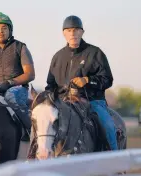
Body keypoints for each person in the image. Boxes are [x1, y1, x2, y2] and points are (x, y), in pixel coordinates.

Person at [45, 15, 118, 150]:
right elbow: (50, 84)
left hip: (92, 101)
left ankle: (115, 161)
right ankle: (35, 156)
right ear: (63, 33)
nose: (73, 33)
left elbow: (107, 79)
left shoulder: (95, 53)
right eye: (69, 30)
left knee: (107, 125)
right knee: (41, 125)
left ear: (82, 32)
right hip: (62, 103)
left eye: (76, 30)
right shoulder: (57, 57)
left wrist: (87, 80)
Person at [0, 12, 35, 140]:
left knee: (10, 95)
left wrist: (10, 83)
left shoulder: (21, 47)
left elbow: (30, 74)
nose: (0, 31)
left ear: (10, 30)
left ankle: (30, 131)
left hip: (18, 89)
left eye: (4, 28)